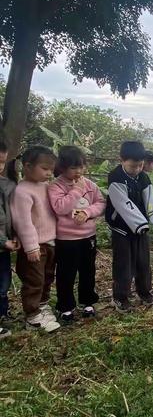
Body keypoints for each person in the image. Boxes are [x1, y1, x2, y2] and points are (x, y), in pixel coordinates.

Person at [105, 141, 153, 313]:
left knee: (143, 262)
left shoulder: (143, 177)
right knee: (123, 264)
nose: (137, 169)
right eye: (133, 166)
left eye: (140, 165)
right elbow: (123, 205)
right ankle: (120, 297)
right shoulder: (116, 177)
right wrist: (140, 224)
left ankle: (145, 292)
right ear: (122, 160)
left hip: (142, 230)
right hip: (121, 229)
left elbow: (150, 202)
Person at [48, 146, 106, 322]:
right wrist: (77, 190)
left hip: (88, 236)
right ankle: (66, 306)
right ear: (63, 167)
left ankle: (88, 302)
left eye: (81, 167)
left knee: (88, 270)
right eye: (73, 168)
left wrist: (87, 212)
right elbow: (60, 207)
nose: (78, 171)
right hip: (66, 239)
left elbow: (101, 203)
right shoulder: (55, 186)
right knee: (66, 273)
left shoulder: (90, 184)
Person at [10, 146, 60, 332]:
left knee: (47, 276)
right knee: (34, 280)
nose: (49, 173)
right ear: (27, 166)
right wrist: (31, 247)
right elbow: (23, 222)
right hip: (36, 245)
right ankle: (32, 316)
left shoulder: (45, 187)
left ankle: (43, 305)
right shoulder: (22, 192)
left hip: (50, 242)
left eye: (51, 169)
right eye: (44, 168)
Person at [0, 142, 20, 338]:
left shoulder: (7, 184)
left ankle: (3, 314)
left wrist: (14, 235)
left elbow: (12, 215)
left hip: (4, 247)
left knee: (3, 283)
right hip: (2, 243)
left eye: (2, 162)